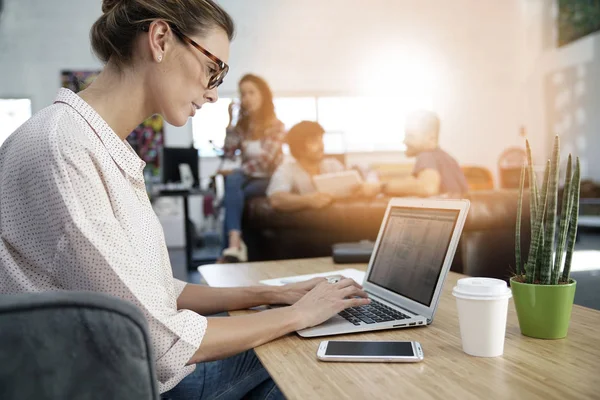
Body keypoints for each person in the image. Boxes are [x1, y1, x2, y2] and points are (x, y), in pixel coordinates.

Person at [0, 1, 370, 399]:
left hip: (114, 369)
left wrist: (273, 294)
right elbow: (160, 342)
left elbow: (154, 291)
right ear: (160, 39)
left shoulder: (88, 142)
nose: (214, 94)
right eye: (213, 70)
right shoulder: (66, 148)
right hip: (116, 384)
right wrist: (299, 314)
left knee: (290, 342)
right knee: (307, 348)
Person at [220, 74, 285, 262]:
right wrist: (231, 123)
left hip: (268, 179)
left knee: (232, 187)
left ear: (263, 95)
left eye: (251, 93)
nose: (246, 98)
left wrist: (238, 172)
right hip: (247, 179)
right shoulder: (243, 126)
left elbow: (266, 161)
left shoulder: (276, 126)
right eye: (243, 94)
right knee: (234, 192)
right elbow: (229, 153)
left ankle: (230, 248)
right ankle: (235, 246)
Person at [268, 121, 381, 211]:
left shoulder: (332, 164)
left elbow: (356, 187)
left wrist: (360, 190)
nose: (321, 145)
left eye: (321, 139)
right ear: (298, 147)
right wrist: (307, 200)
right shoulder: (286, 170)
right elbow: (276, 198)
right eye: (314, 141)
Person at [383, 110, 468, 197]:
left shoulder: (426, 156)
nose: (404, 141)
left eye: (410, 136)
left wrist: (382, 187)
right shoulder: (447, 158)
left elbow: (428, 188)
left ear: (431, 138)